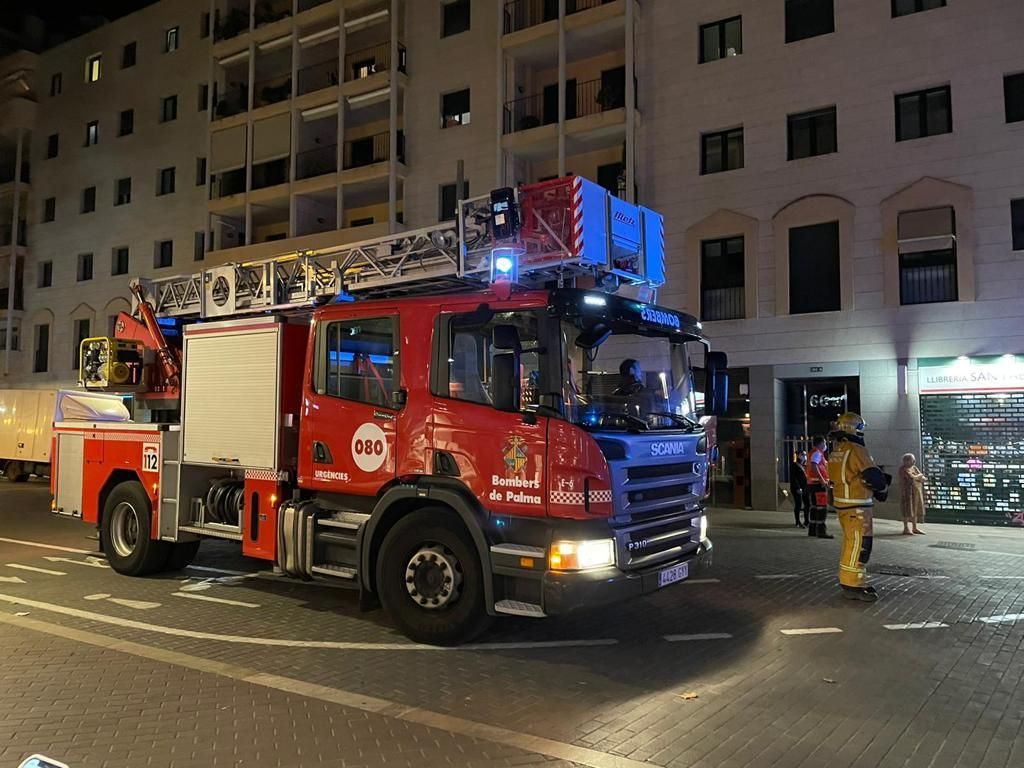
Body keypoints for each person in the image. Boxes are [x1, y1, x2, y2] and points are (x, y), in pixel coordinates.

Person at [828, 412, 891, 602]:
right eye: (861, 428)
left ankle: (850, 580)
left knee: (851, 544)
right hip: (857, 505)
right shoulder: (857, 449)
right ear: (853, 428)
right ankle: (853, 584)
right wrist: (882, 486)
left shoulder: (837, 450)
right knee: (860, 546)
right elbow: (871, 475)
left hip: (843, 503)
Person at [805, 436, 833, 539]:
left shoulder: (812, 452)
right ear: (821, 443)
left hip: (812, 484)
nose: (825, 445)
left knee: (814, 508)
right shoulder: (817, 453)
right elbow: (814, 466)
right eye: (824, 443)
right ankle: (821, 531)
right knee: (821, 508)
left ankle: (812, 530)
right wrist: (822, 480)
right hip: (818, 485)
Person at [900, 453, 927, 535]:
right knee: (907, 510)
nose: (914, 461)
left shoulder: (914, 468)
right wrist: (919, 476)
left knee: (915, 510)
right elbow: (911, 478)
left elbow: (923, 478)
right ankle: (906, 528)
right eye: (912, 460)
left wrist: (918, 477)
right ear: (906, 461)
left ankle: (914, 527)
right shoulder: (903, 469)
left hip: (917, 492)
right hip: (907, 493)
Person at [790, 450, 809, 528]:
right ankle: (797, 522)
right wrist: (798, 488)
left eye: (805, 455)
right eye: (803, 455)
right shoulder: (794, 465)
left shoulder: (803, 466)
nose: (804, 456)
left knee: (807, 504)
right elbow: (793, 478)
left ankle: (807, 521)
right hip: (797, 488)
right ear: (798, 456)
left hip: (805, 487)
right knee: (798, 504)